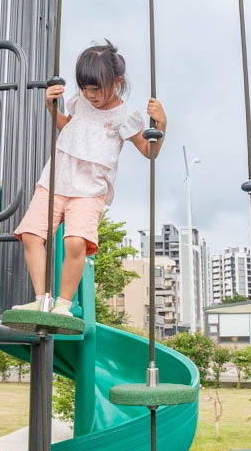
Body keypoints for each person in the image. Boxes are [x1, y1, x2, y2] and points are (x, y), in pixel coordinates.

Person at [13, 41, 166, 317]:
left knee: (75, 242)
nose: (90, 95)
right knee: (31, 235)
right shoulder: (78, 103)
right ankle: (42, 299)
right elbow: (69, 129)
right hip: (56, 178)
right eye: (85, 88)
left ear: (117, 82)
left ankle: (63, 304)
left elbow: (148, 151)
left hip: (89, 188)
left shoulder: (125, 117)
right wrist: (51, 107)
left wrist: (161, 125)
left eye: (96, 89)